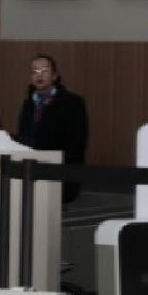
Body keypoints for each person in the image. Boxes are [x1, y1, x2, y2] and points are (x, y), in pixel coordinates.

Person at [17, 54, 88, 204]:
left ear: (55, 76)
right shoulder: (29, 103)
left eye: (44, 70)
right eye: (35, 71)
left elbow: (77, 142)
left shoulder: (72, 103)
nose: (39, 75)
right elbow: (24, 136)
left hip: (60, 168)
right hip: (31, 167)